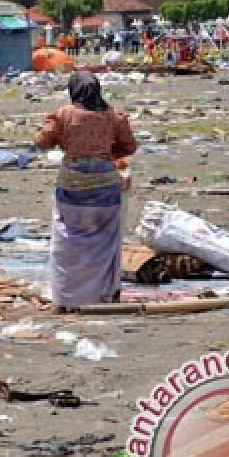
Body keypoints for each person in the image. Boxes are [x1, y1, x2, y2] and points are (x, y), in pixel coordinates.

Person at [34, 71, 137, 310]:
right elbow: (129, 146)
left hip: (73, 184)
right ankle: (105, 295)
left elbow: (41, 142)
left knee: (68, 241)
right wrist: (108, 153)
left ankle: (66, 298)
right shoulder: (114, 116)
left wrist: (65, 142)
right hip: (106, 186)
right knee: (105, 242)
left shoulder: (63, 115)